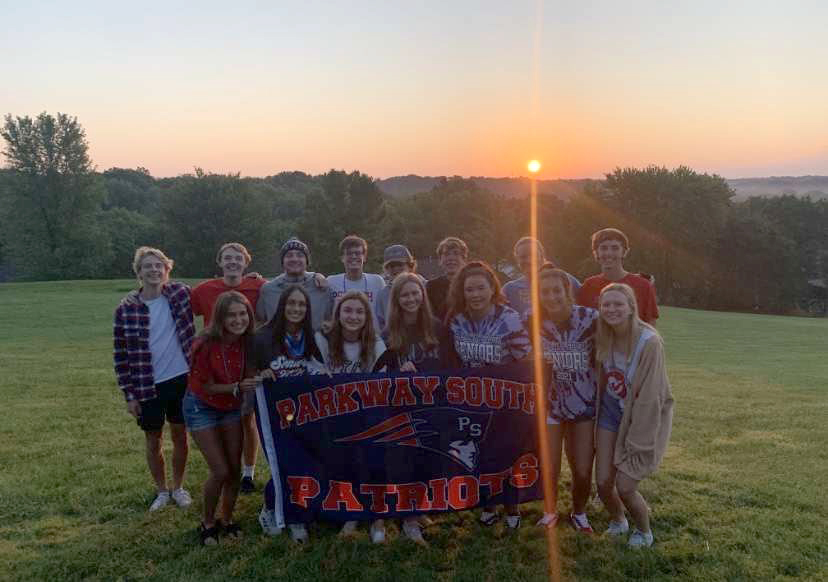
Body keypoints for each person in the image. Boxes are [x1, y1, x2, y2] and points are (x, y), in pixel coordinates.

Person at [444, 261, 530, 529]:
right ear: (462, 292)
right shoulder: (456, 321)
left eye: (481, 288)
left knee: (508, 453)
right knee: (481, 453)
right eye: (470, 289)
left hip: (506, 401)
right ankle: (488, 505)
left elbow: (525, 360)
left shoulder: (509, 318)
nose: (476, 294)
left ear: (493, 288)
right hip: (472, 401)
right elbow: (453, 362)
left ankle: (513, 508)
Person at [113, 246, 194, 512]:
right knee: (153, 438)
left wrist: (251, 278)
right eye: (148, 266)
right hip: (147, 385)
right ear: (139, 272)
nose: (154, 270)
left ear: (167, 270)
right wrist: (129, 394)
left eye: (159, 265)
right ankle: (161, 491)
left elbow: (219, 292)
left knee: (181, 435)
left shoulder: (180, 294)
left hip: (182, 379)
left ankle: (179, 487)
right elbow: (121, 356)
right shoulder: (126, 309)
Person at [594, 283, 673, 548]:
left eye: (618, 304)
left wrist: (637, 443)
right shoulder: (602, 336)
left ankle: (644, 530)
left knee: (626, 486)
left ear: (631, 308)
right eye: (606, 305)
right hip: (610, 414)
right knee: (604, 483)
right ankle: (618, 520)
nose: (612, 309)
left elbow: (651, 399)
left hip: (642, 418)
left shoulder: (649, 342)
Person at [251, 285, 326, 543]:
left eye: (301, 305)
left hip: (305, 413)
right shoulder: (263, 338)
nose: (296, 309)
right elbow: (249, 374)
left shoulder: (312, 338)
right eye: (291, 304)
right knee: (283, 463)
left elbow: (322, 370)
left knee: (305, 462)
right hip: (274, 414)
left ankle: (298, 512)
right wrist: (260, 375)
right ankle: (274, 510)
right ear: (282, 306)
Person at [183, 291, 259, 545]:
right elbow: (205, 386)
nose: (238, 320)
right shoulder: (204, 343)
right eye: (231, 315)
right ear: (220, 318)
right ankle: (207, 522)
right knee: (220, 470)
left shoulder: (249, 341)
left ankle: (226, 519)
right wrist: (238, 385)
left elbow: (251, 374)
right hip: (202, 406)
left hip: (231, 407)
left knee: (235, 469)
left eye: (242, 314)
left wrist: (256, 378)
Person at [373, 273, 443, 544]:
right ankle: (408, 519)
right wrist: (397, 370)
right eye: (405, 295)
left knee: (428, 458)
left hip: (431, 404)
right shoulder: (388, 334)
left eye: (415, 293)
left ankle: (420, 507)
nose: (411, 299)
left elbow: (449, 366)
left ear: (423, 296)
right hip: (400, 408)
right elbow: (377, 373)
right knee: (405, 460)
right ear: (396, 300)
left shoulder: (437, 327)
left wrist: (422, 370)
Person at [528, 265, 598, 533]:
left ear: (567, 290)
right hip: (552, 404)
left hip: (584, 404)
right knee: (550, 466)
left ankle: (579, 513)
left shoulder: (590, 318)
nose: (551, 296)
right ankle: (549, 511)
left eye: (556, 290)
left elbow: (617, 338)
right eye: (545, 292)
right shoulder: (532, 320)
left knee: (581, 468)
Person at [192, 242, 265, 494]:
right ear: (220, 262)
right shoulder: (204, 290)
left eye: (238, 258)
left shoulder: (258, 286)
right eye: (228, 258)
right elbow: (179, 306)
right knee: (223, 416)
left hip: (246, 358)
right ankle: (224, 469)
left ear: (246, 263)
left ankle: (248, 472)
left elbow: (285, 287)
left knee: (247, 417)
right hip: (215, 363)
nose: (233, 262)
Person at [315, 291, 388, 543]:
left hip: (367, 414)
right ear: (338, 314)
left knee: (374, 459)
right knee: (342, 462)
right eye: (347, 310)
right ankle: (352, 512)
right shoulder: (322, 339)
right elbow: (314, 376)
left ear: (367, 316)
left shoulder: (377, 344)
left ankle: (378, 517)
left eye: (359, 311)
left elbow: (382, 387)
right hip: (332, 414)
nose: (353, 316)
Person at [576, 228, 659, 325]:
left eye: (615, 248)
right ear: (596, 252)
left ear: (624, 252)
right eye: (603, 248)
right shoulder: (588, 286)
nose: (609, 253)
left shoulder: (644, 286)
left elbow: (651, 326)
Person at [256, 237, 333, 330]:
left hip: (313, 343)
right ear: (282, 261)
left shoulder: (322, 287)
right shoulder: (268, 289)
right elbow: (260, 321)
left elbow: (330, 319)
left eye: (300, 255)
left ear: (307, 261)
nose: (294, 259)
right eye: (289, 255)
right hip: (278, 343)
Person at [503, 237, 581, 317]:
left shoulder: (566, 280)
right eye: (523, 257)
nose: (529, 260)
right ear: (517, 260)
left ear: (542, 255)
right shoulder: (510, 290)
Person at [373, 244, 423, 332]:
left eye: (400, 265)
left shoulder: (425, 286)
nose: (396, 269)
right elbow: (382, 324)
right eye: (392, 266)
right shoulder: (383, 294)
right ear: (386, 269)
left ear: (410, 266)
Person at [326, 235, 386, 305]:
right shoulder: (331, 282)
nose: (354, 256)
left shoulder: (377, 282)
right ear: (342, 258)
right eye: (349, 253)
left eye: (357, 253)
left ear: (364, 257)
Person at [426, 236, 468, 321]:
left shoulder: (471, 285)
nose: (451, 258)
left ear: (464, 259)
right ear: (440, 260)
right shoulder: (431, 287)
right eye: (446, 254)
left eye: (456, 253)